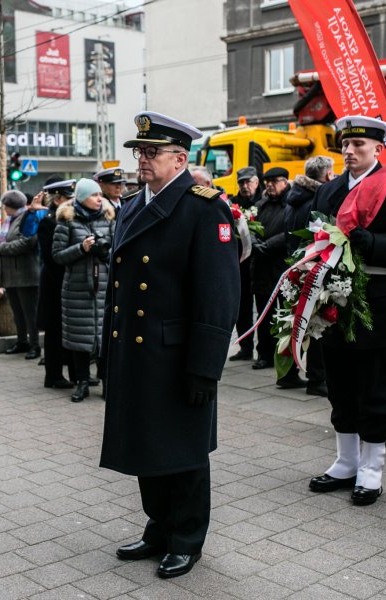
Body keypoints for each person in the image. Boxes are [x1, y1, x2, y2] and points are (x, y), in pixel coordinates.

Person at [101, 112, 239, 579]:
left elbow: (218, 296)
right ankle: (158, 527)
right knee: (146, 445)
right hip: (137, 352)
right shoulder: (133, 204)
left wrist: (206, 367)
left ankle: (186, 539)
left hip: (176, 354)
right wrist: (109, 351)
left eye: (150, 152)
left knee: (181, 453)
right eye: (139, 151)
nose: (141, 159)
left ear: (179, 158)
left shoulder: (203, 207)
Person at [307, 115, 386, 506]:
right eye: (345, 144)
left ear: (379, 149)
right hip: (332, 302)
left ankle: (372, 470)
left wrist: (370, 242)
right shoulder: (328, 191)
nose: (349, 151)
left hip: (375, 303)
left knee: (374, 391)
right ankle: (346, 461)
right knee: (340, 387)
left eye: (358, 145)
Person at [52, 178, 116, 402]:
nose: (100, 199)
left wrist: (103, 252)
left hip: (104, 289)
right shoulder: (66, 221)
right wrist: (81, 248)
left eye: (100, 195)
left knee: (105, 338)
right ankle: (81, 383)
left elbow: (117, 252)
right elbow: (57, 256)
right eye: (94, 195)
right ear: (81, 198)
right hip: (77, 290)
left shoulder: (109, 218)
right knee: (79, 340)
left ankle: (107, 382)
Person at [283, 156, 336, 395]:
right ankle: (316, 378)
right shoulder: (316, 200)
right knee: (315, 324)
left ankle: (288, 373)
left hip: (296, 266)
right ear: (326, 176)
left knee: (295, 321)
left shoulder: (294, 198)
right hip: (312, 268)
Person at [250, 167, 291, 374]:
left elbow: (290, 231)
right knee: (263, 315)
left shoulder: (291, 204)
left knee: (283, 314)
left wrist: (269, 245)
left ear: (285, 182)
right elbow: (250, 225)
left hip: (282, 266)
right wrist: (256, 243)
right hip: (262, 268)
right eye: (267, 183)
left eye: (274, 181)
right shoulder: (261, 204)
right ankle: (264, 354)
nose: (269, 186)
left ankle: (283, 356)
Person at [37, 179, 77, 388]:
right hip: (54, 283)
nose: (73, 202)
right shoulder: (49, 222)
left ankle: (74, 373)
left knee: (68, 329)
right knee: (54, 330)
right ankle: (52, 375)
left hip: (67, 282)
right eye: (69, 198)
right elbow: (53, 259)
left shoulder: (69, 219)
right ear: (58, 199)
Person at [0, 190, 41, 359]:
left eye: (6, 205)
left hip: (26, 274)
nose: (4, 208)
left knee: (30, 313)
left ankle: (35, 345)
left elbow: (27, 242)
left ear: (11, 206)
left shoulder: (27, 218)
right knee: (17, 312)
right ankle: (22, 341)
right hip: (11, 274)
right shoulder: (10, 220)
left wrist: (2, 249)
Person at [230, 166, 263, 361]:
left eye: (247, 182)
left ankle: (264, 351)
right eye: (241, 183)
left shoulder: (264, 202)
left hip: (259, 262)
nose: (244, 186)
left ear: (256, 182)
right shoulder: (234, 204)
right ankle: (245, 347)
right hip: (240, 263)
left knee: (261, 308)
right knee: (242, 308)